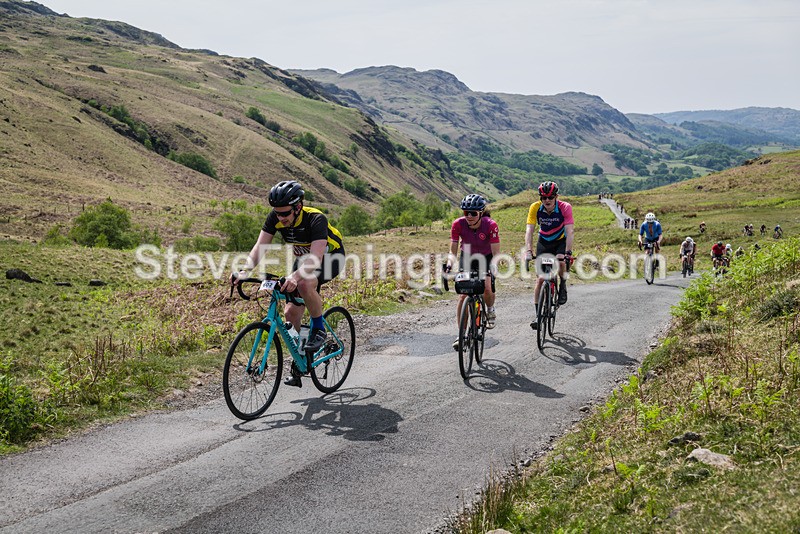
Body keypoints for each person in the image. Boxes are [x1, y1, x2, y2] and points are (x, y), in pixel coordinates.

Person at [230, 180, 345, 388]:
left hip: (330, 258)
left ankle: (319, 329)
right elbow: (260, 246)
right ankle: (302, 360)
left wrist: (295, 277)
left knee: (304, 283)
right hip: (304, 259)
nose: (280, 218)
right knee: (291, 313)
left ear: (298, 207)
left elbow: (316, 259)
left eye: (285, 213)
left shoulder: (315, 219)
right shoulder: (275, 218)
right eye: (277, 213)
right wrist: (244, 271)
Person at [446, 194, 500, 350]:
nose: (469, 216)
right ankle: (461, 335)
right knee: (463, 295)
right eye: (466, 212)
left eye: (473, 213)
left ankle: (490, 309)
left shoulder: (490, 225)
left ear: (481, 213)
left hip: (487, 257)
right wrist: (449, 264)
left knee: (487, 287)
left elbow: (496, 252)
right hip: (468, 256)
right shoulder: (458, 224)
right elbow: (452, 251)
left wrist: (493, 267)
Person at [524, 181, 574, 330]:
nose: (547, 200)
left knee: (561, 262)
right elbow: (529, 230)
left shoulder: (565, 207)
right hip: (544, 241)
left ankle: (562, 284)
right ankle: (538, 316)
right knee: (540, 279)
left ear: (556, 197)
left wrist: (568, 252)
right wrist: (528, 250)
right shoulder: (535, 207)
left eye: (550, 197)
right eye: (544, 197)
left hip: (560, 241)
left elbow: (569, 231)